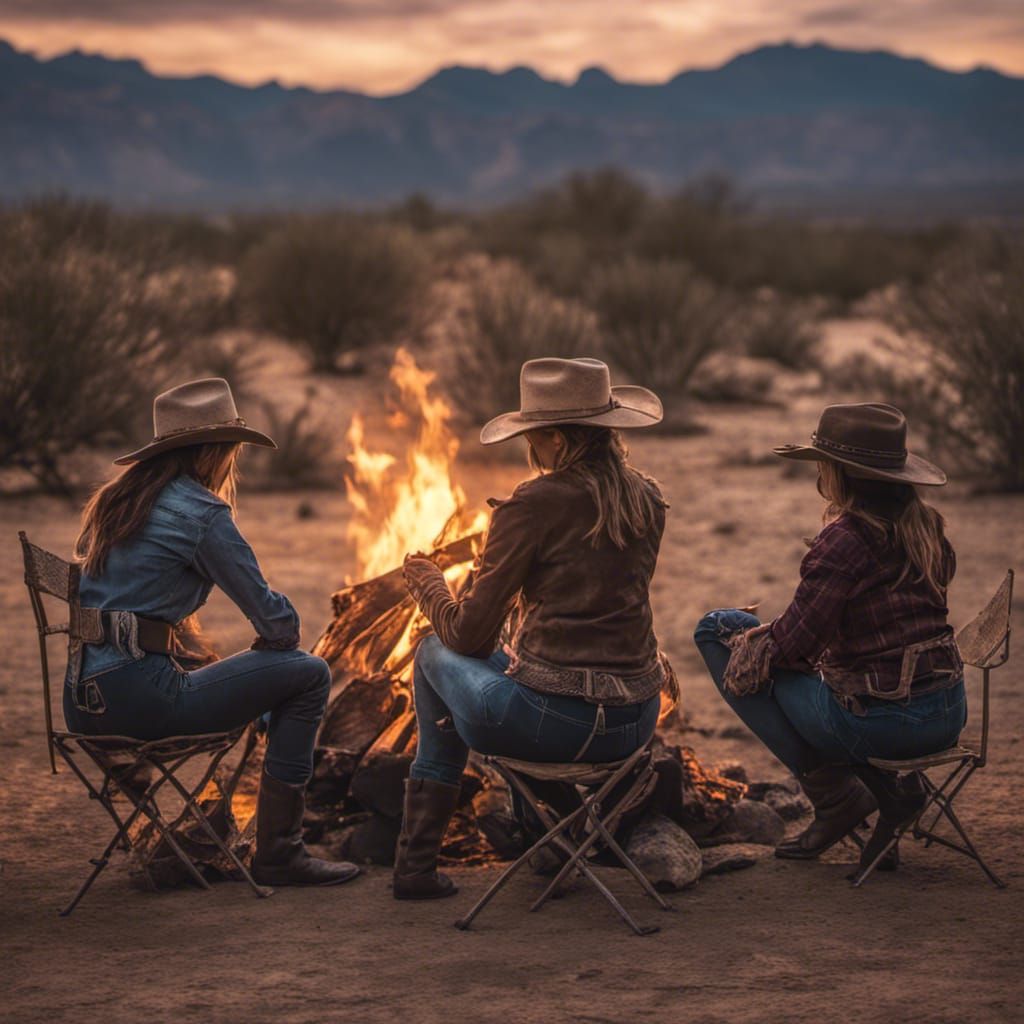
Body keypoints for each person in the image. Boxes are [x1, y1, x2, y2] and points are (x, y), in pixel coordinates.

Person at [67, 377, 359, 888]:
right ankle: (281, 853)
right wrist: (274, 645)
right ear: (215, 452)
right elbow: (277, 623)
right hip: (143, 699)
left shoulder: (117, 500)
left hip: (82, 701)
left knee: (256, 673)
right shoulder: (200, 513)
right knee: (309, 673)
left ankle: (267, 838)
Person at [396, 357, 670, 900]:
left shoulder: (533, 504)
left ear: (554, 440)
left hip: (554, 726)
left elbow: (469, 637)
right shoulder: (648, 498)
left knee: (431, 653)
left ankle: (415, 865)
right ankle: (554, 834)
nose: (531, 452)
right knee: (506, 665)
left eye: (535, 438)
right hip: (633, 723)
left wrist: (428, 583)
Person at [694, 403, 966, 874]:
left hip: (886, 723)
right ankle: (893, 794)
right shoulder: (927, 526)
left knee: (717, 631)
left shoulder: (847, 538)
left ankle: (837, 799)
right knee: (793, 659)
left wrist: (755, 643)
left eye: (822, 464)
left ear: (839, 474)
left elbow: (796, 644)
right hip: (946, 711)